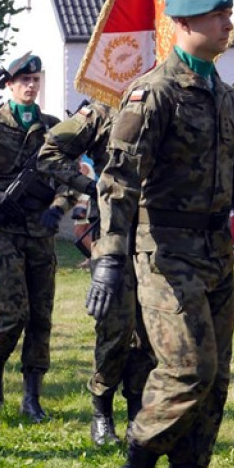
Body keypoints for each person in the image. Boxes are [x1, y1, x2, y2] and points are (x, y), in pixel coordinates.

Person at [86, 0, 234, 468]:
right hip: (164, 251)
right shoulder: (154, 93)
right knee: (186, 369)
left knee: (212, 382)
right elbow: (118, 182)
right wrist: (110, 258)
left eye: (227, 15)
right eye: (217, 16)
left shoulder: (229, 98)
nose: (227, 24)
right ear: (186, 25)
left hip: (216, 253)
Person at [38, 98, 154, 445]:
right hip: (112, 230)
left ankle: (137, 410)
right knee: (115, 325)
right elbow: (49, 153)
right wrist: (91, 186)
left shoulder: (166, 102)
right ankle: (102, 408)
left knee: (149, 327)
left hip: (159, 233)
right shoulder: (103, 110)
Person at [0, 55, 72, 422]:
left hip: (41, 233)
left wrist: (59, 207)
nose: (31, 86)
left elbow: (70, 175)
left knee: (40, 317)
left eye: (35, 79)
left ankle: (32, 395)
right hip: (5, 232)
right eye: (23, 80)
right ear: (9, 85)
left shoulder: (52, 128)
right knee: (13, 313)